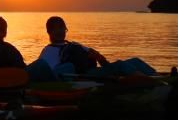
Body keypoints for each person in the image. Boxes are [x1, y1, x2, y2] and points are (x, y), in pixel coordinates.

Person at [27, 16, 157, 81]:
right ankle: (150, 82)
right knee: (121, 65)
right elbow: (52, 74)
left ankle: (157, 77)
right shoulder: (48, 51)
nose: (60, 31)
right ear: (49, 31)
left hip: (94, 71)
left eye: (62, 28)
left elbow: (103, 62)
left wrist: (99, 58)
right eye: (56, 28)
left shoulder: (75, 45)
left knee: (134, 61)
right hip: (82, 78)